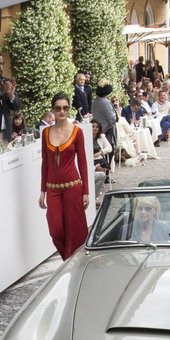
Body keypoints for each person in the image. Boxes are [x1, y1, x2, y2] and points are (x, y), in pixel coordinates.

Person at [39, 94, 90, 259]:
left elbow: (82, 163)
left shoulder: (77, 132)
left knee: (74, 230)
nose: (62, 111)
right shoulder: (46, 133)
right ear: (53, 110)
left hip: (73, 188)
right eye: (58, 108)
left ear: (69, 109)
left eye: (65, 108)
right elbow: (45, 163)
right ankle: (68, 260)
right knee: (56, 231)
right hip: (52, 189)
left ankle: (73, 265)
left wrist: (86, 191)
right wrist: (42, 191)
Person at [91, 83, 119, 159]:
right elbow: (111, 117)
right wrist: (116, 116)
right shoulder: (105, 102)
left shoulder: (95, 101)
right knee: (109, 149)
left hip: (99, 127)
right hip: (107, 129)